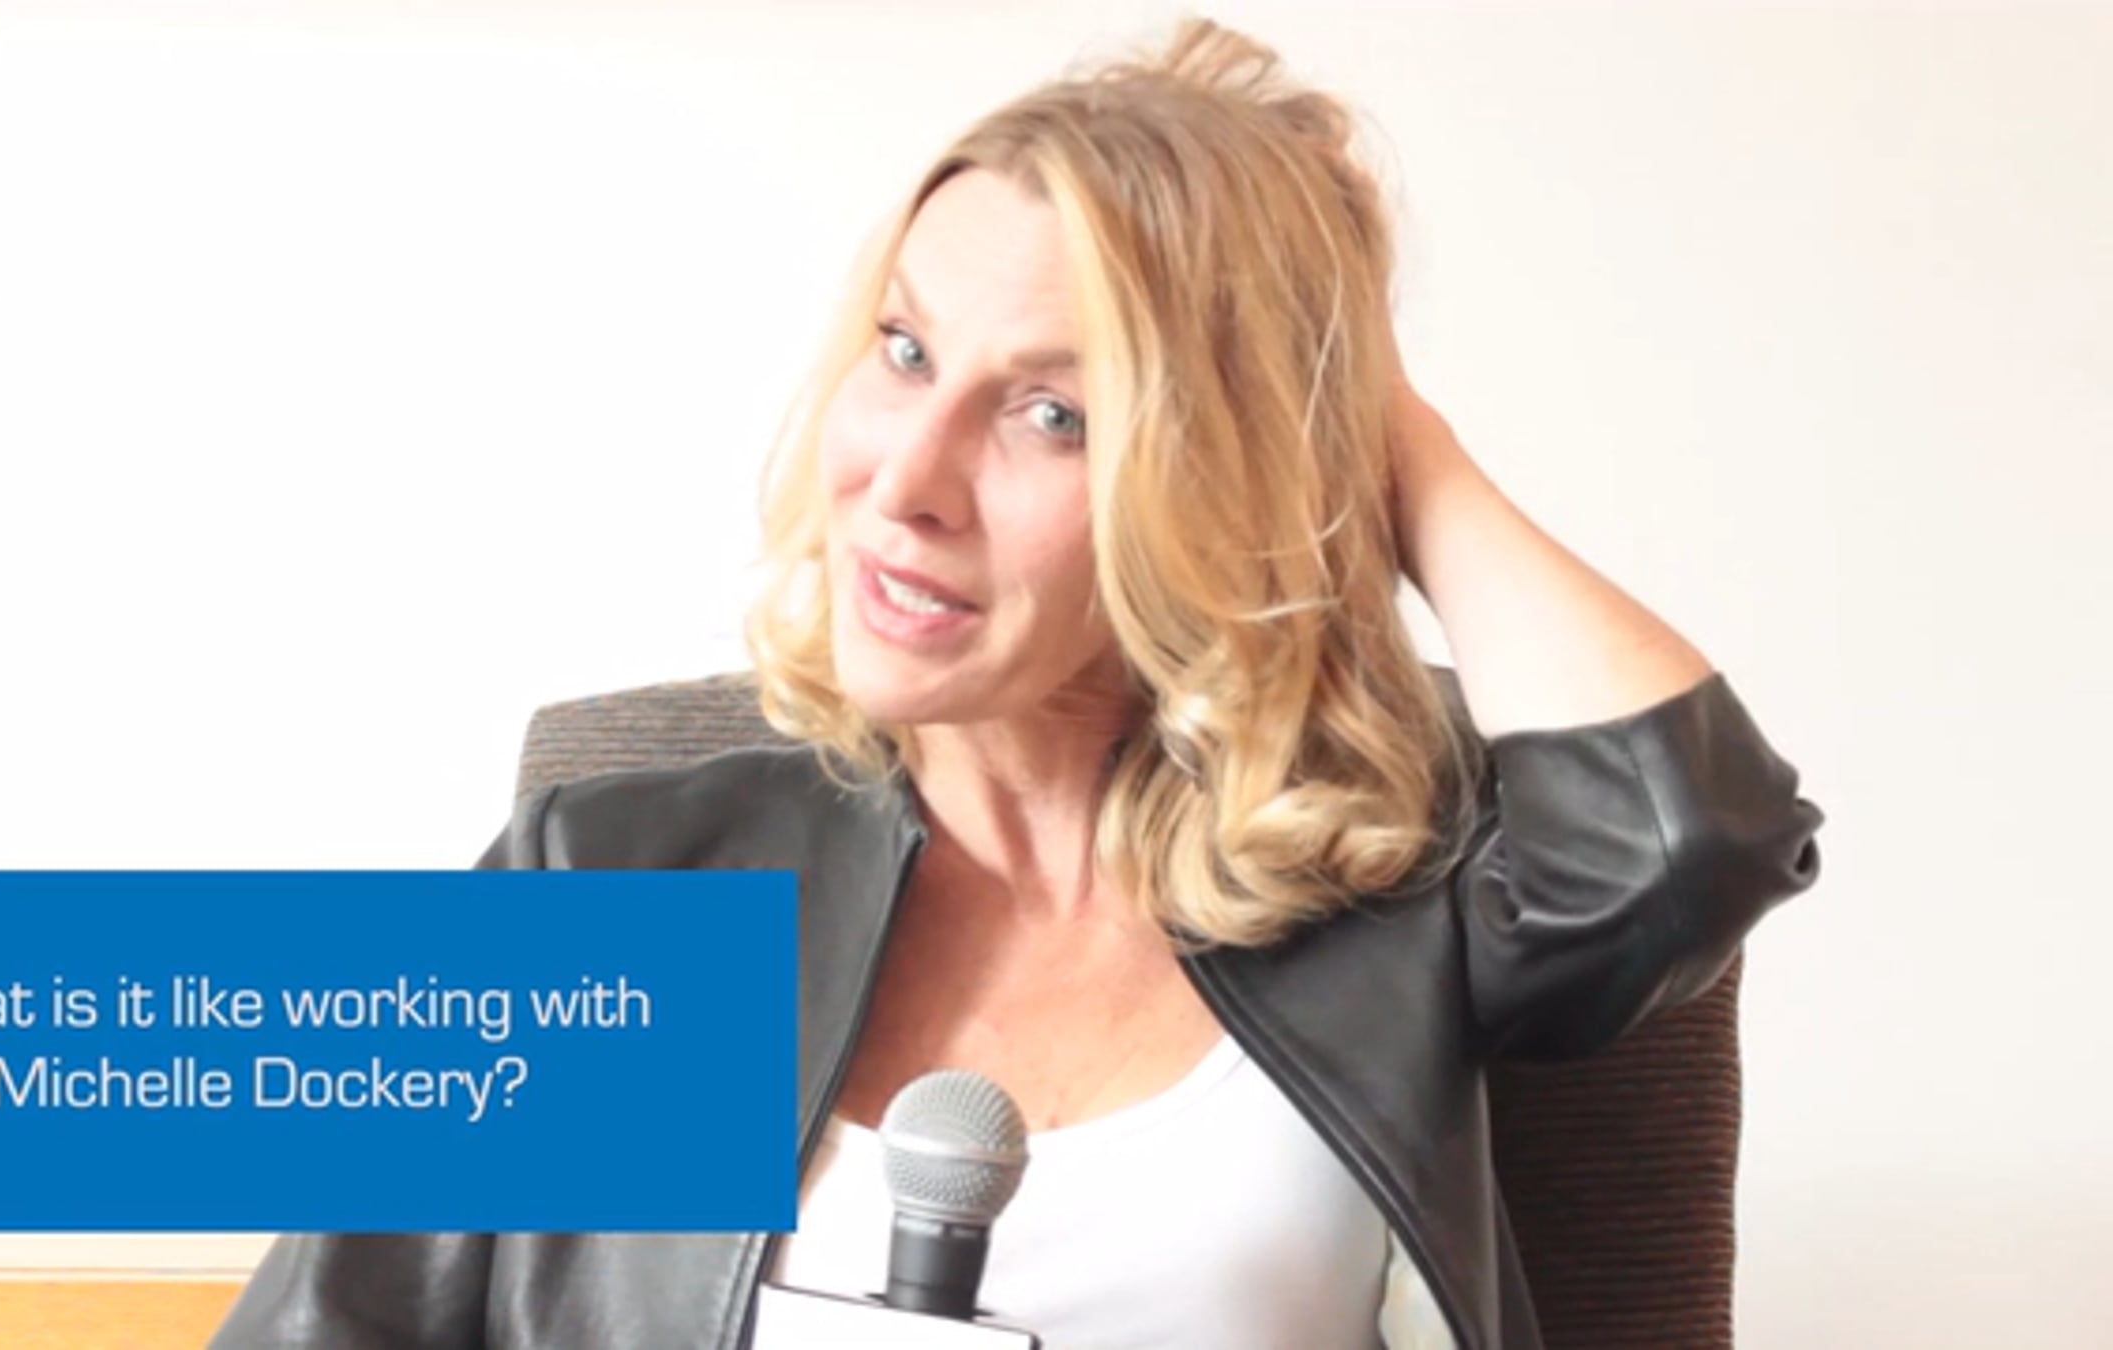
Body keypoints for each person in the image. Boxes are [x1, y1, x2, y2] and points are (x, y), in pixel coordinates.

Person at [212, 19, 1823, 1350]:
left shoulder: (1391, 882)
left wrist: (1370, 416)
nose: (906, 480)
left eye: (1055, 413)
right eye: (907, 351)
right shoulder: (619, 881)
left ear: (1219, 481)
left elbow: (1688, 837)